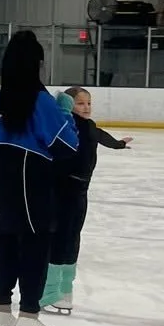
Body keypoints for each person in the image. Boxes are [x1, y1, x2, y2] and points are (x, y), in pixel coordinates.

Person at [0, 31, 78, 326]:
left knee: (5, 246)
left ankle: (1, 310)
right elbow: (67, 146)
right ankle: (29, 315)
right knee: (35, 248)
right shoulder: (40, 101)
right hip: (33, 185)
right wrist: (66, 114)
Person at [41, 85, 132, 313]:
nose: (86, 107)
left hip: (80, 191)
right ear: (69, 105)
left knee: (73, 238)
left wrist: (119, 144)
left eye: (89, 103)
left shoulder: (88, 125)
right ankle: (49, 292)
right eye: (80, 103)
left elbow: (99, 135)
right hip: (61, 190)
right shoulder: (65, 126)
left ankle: (65, 288)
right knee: (60, 238)